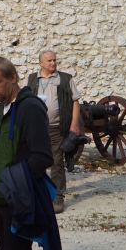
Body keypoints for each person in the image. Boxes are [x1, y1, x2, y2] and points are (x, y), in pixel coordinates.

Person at [0, 57, 55, 250]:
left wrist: (13, 181)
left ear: (12, 77)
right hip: (1, 200)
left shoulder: (30, 108)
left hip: (17, 198)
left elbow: (42, 157)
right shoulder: (1, 108)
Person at [27, 50, 82, 214]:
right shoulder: (32, 79)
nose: (53, 63)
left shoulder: (65, 78)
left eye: (54, 60)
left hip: (57, 128)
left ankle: (58, 197)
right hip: (37, 129)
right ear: (41, 63)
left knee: (57, 163)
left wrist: (74, 125)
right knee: (37, 162)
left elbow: (75, 102)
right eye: (49, 61)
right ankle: (41, 194)